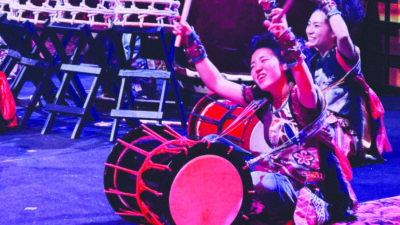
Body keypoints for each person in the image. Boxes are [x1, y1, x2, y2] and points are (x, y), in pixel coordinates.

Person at [173, 13, 356, 224]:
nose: (257, 68)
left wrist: (286, 41)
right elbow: (217, 83)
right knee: (213, 144)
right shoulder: (263, 100)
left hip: (308, 193)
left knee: (257, 181)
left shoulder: (302, 98)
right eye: (252, 65)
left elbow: (302, 76)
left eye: (263, 60)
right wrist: (191, 41)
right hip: (277, 176)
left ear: (283, 64)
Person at [302, 0, 392, 165]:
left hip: (341, 135)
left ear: (333, 32)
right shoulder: (313, 59)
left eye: (316, 26)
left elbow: (343, 36)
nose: (309, 31)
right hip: (320, 126)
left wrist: (329, 4)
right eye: (309, 25)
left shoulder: (345, 56)